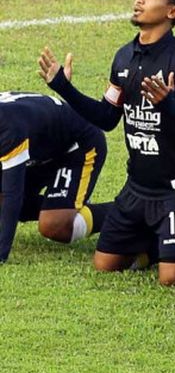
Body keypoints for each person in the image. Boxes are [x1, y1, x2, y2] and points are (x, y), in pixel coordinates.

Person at [37, 0, 175, 285]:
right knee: (105, 264)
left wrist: (168, 105)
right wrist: (63, 88)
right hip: (136, 188)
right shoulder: (124, 57)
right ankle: (162, 243)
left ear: (172, 11)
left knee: (173, 279)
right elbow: (108, 118)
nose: (139, 0)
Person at [0, 91, 111, 262]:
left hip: (78, 146)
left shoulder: (8, 127)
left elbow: (12, 195)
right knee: (11, 205)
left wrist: (1, 253)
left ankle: (130, 213)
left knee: (55, 225)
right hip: (40, 150)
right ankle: (60, 204)